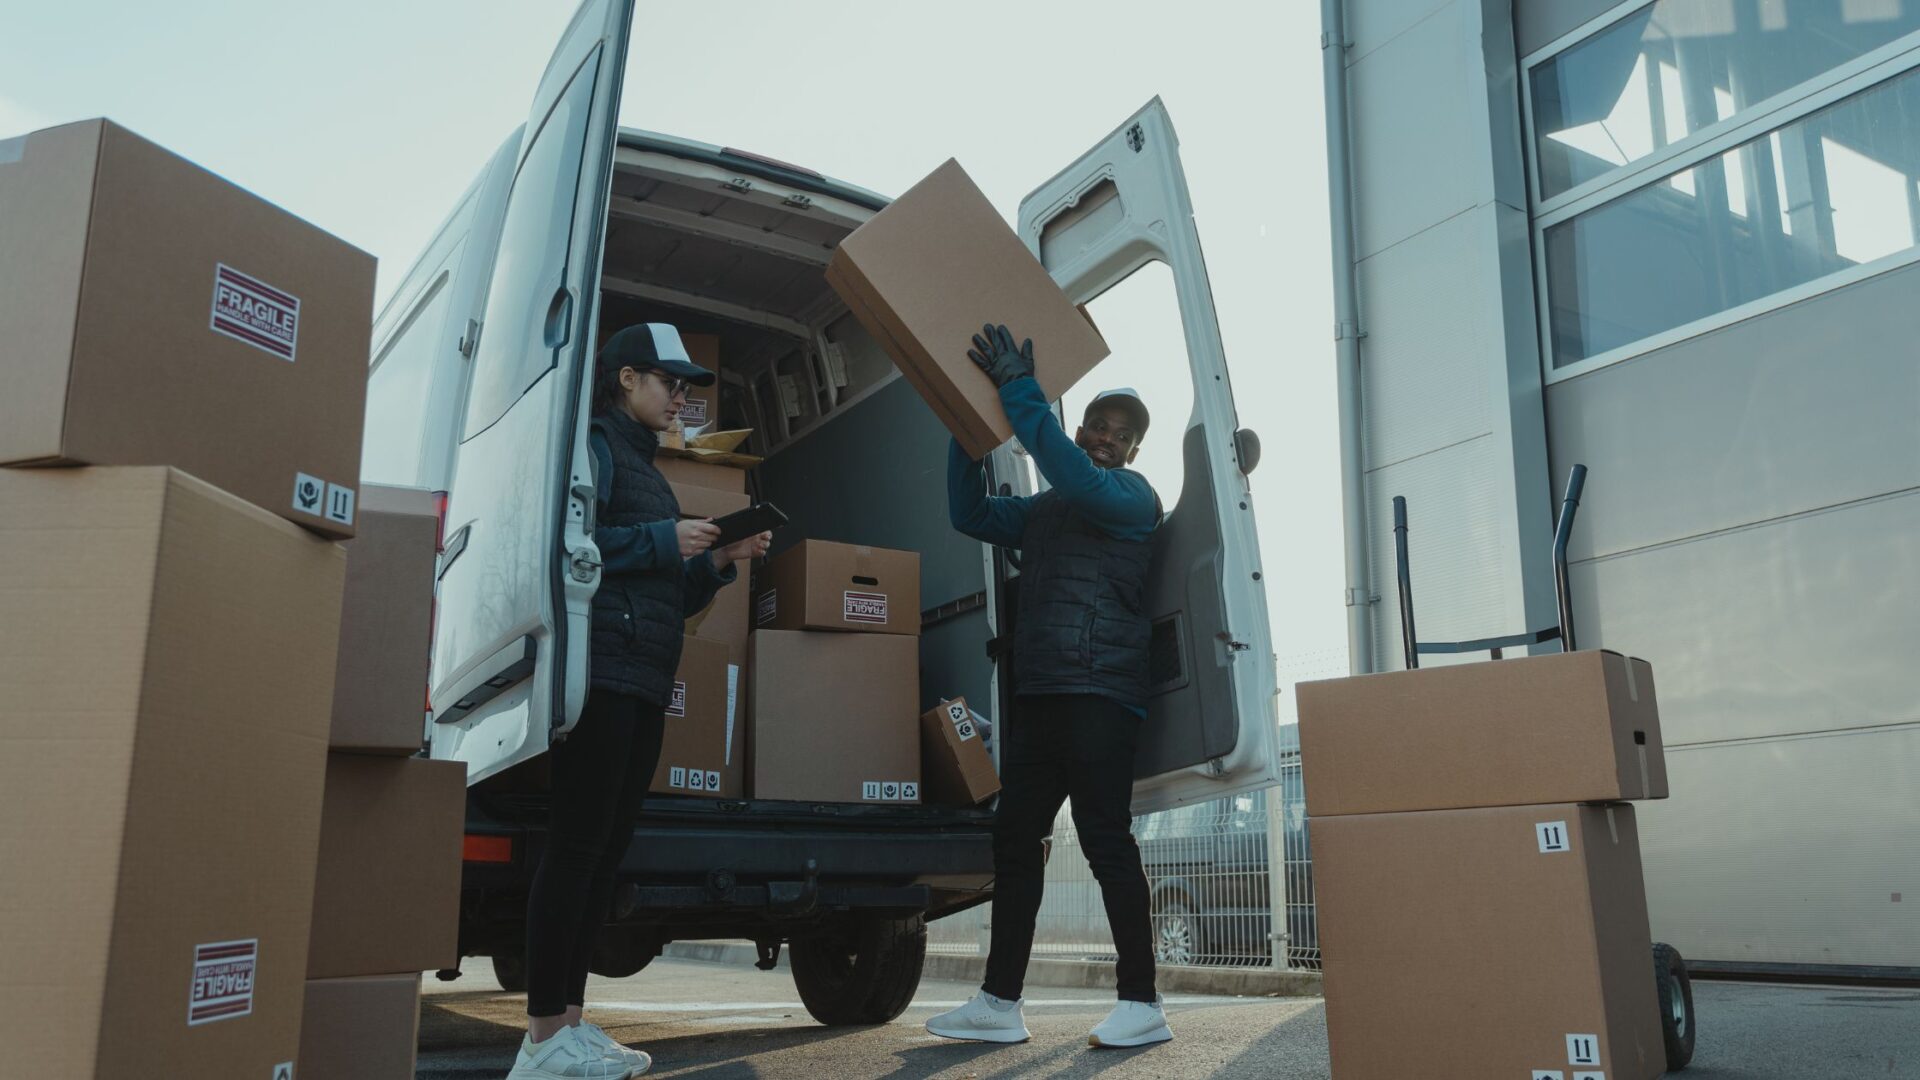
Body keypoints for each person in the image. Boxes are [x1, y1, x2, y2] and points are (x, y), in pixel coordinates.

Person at [508, 324, 771, 1080]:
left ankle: (571, 1026)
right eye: (669, 382)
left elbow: (666, 589)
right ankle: (539, 1041)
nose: (682, 397)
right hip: (602, 674)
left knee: (604, 854)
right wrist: (666, 538)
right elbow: (564, 545)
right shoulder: (593, 447)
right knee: (576, 849)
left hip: (646, 675)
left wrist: (716, 558)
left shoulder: (649, 471)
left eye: (687, 386)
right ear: (626, 379)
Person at [927, 324, 1171, 1049]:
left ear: (1133, 452)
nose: (1105, 436)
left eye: (1121, 433)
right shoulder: (1045, 511)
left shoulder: (1131, 497)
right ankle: (999, 1004)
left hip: (1101, 695)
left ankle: (1142, 1003)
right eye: (1098, 421)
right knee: (1015, 839)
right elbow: (968, 513)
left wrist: (1018, 391)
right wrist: (967, 430)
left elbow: (1070, 472)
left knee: (1105, 841)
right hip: (1040, 695)